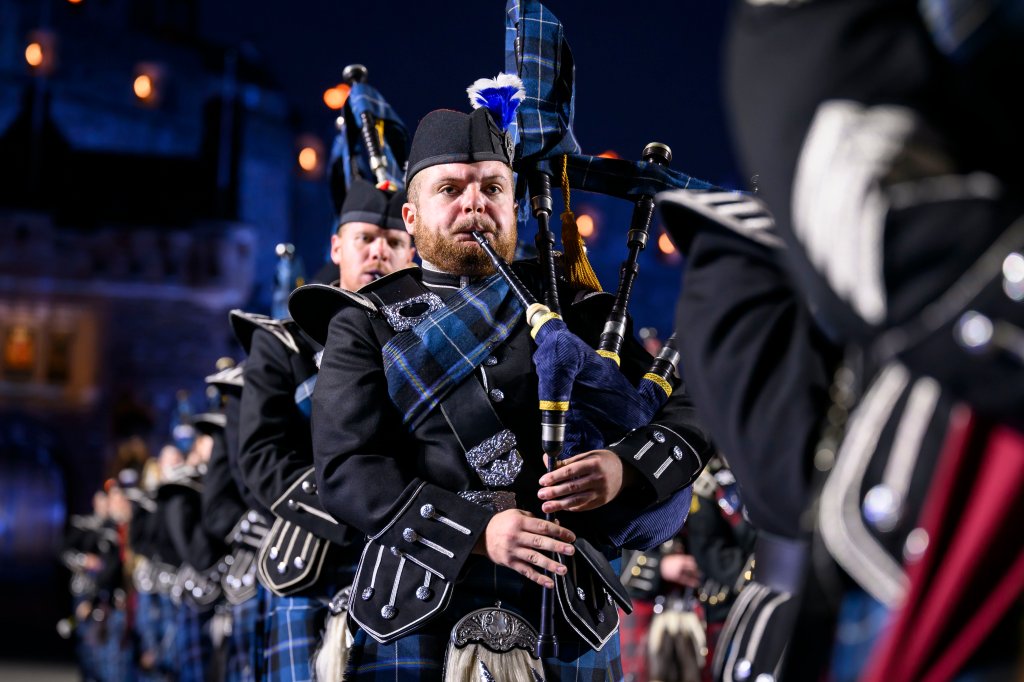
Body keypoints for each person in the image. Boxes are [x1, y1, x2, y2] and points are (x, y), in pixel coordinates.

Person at [303, 97, 712, 680]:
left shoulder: (570, 307)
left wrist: (625, 469)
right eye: (450, 190)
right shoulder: (365, 321)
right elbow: (346, 467)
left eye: (493, 188)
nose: (475, 202)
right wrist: (477, 531)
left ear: (514, 204)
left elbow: (685, 407)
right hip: (416, 606)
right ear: (412, 216)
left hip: (564, 612)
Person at [234, 180, 415, 682]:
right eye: (365, 238)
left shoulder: (428, 340)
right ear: (337, 247)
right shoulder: (282, 343)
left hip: (410, 553)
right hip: (314, 557)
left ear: (412, 250)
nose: (380, 250)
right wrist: (357, 500)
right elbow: (260, 456)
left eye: (395, 241)